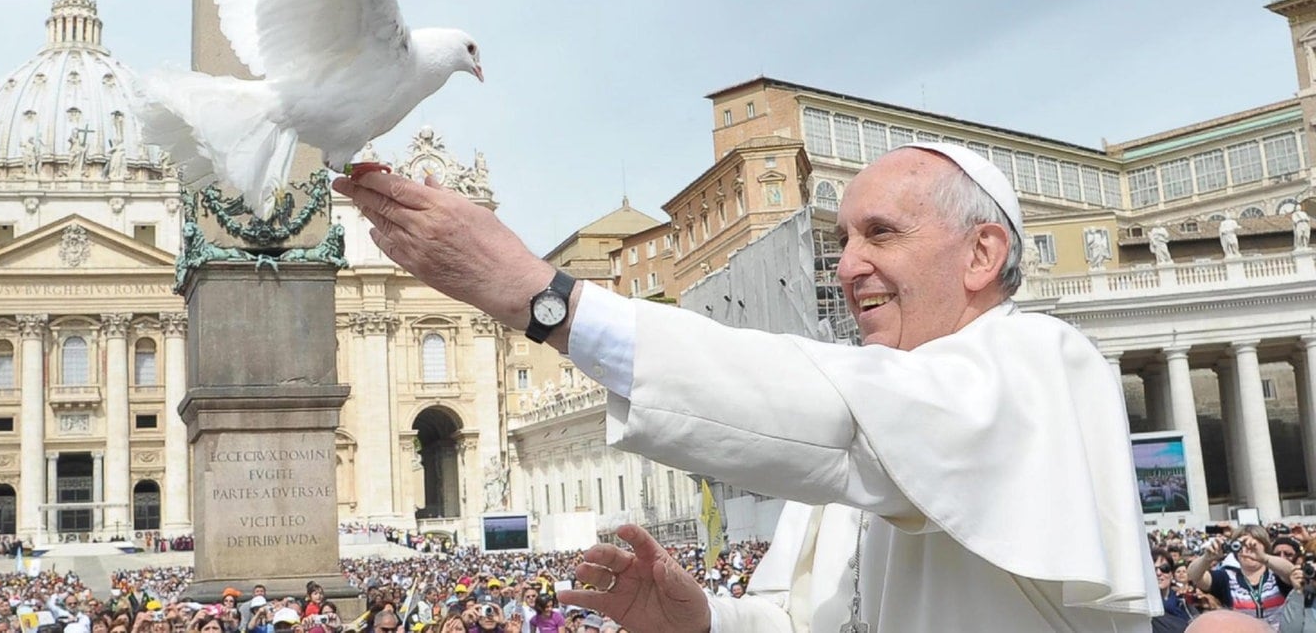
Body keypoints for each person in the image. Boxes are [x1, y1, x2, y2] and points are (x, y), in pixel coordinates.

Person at [335, 141, 1160, 632]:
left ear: (983, 255)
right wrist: (707, 620)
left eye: (882, 233)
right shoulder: (882, 417)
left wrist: (543, 298)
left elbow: (830, 413)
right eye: (842, 238)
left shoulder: (1041, 362)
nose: (847, 264)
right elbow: (810, 624)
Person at [1188, 527, 1292, 630]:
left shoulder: (1276, 574)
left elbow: (1292, 572)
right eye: (1242, 546)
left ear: (1265, 546)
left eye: (1253, 545)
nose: (1248, 550)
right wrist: (1207, 558)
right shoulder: (1226, 577)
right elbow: (1194, 576)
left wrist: (1264, 558)